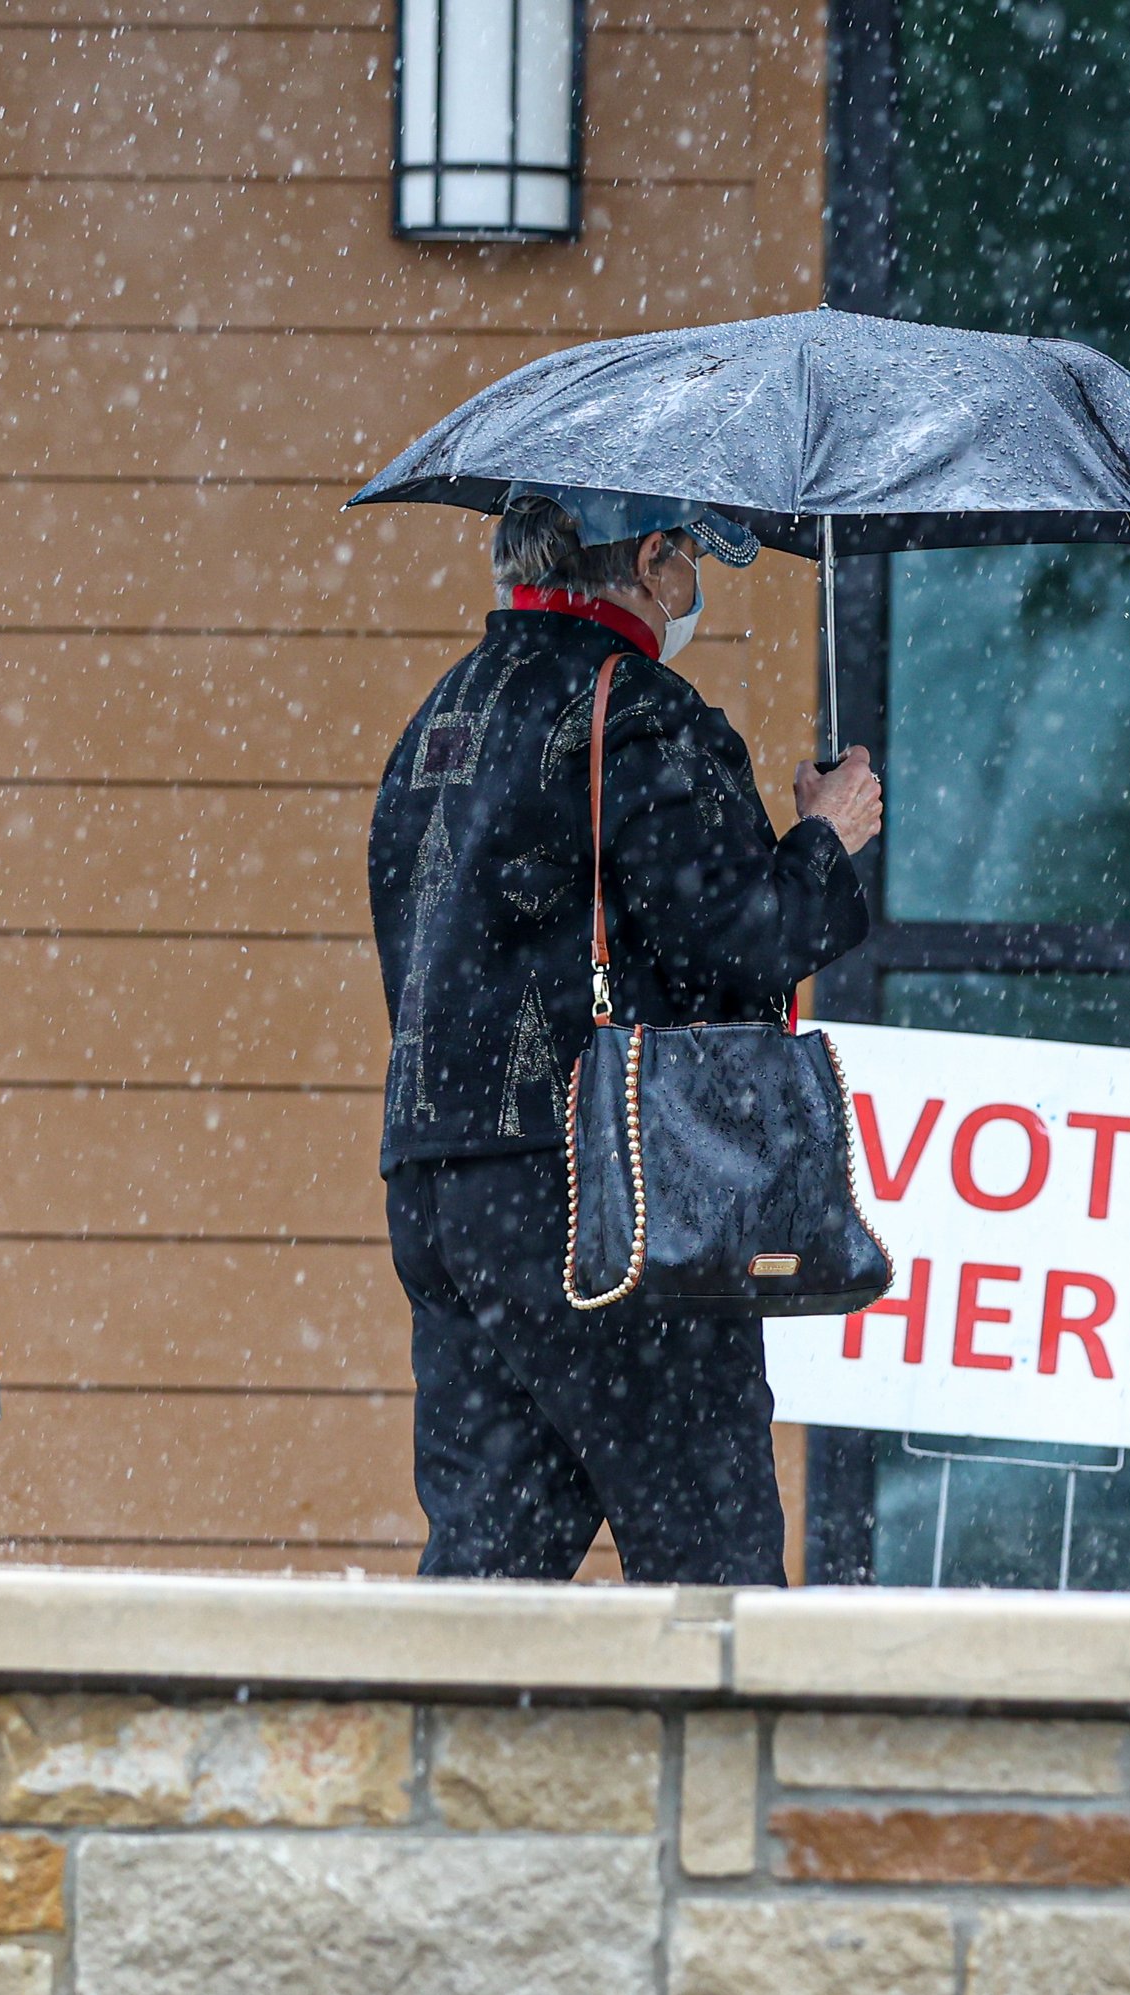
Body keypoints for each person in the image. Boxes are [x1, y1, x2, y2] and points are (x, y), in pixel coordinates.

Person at [368, 489, 883, 1585]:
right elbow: (742, 942)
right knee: (713, 1560)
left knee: (488, 1565)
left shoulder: (439, 720)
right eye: (691, 556)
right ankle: (725, 1762)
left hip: (441, 1189)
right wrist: (825, 841)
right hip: (609, 1197)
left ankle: (449, 1749)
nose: (694, 582)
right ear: (651, 560)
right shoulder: (645, 710)